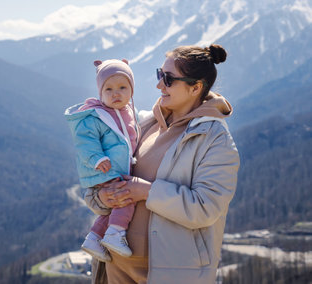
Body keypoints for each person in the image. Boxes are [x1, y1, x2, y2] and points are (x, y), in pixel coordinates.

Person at [85, 44, 240, 284]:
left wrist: (145, 192)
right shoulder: (142, 125)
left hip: (169, 275)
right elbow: (98, 181)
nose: (159, 85)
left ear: (195, 87)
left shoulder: (215, 140)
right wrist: (102, 198)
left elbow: (205, 208)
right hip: (115, 269)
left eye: (168, 79)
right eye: (160, 74)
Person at [65, 59, 141, 262]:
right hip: (105, 169)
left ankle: (94, 238)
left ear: (131, 90)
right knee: (126, 198)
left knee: (115, 206)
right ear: (100, 92)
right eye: (109, 89)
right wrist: (97, 158)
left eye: (122, 87)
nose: (116, 93)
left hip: (116, 169)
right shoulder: (96, 115)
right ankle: (115, 234)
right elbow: (85, 140)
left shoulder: (128, 113)